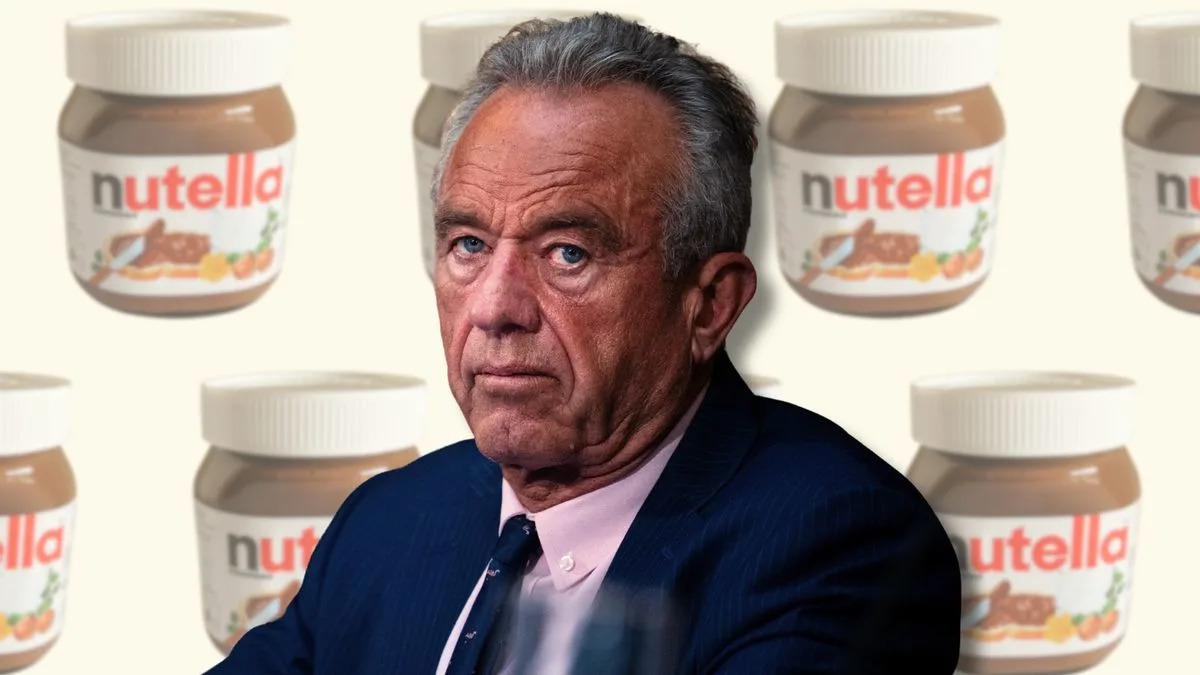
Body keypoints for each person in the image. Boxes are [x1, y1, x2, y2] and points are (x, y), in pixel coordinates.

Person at [206, 13, 960, 675]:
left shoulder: (840, 539)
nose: (495, 308)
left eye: (568, 253)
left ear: (709, 305)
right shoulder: (388, 520)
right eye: (469, 245)